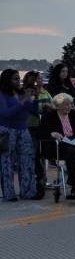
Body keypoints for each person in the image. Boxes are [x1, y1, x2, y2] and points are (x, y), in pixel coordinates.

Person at [0, 69, 38, 201]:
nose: (18, 82)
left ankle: (28, 192)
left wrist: (35, 97)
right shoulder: (2, 95)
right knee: (7, 162)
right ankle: (9, 193)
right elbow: (5, 113)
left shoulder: (21, 93)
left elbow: (33, 110)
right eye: (15, 79)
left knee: (26, 161)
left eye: (19, 79)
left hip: (23, 129)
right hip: (6, 130)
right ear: (7, 81)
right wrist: (22, 102)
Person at [24, 70, 54, 195]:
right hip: (31, 126)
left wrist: (49, 106)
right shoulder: (28, 92)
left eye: (42, 77)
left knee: (41, 154)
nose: (41, 80)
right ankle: (35, 179)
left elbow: (53, 105)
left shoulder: (46, 92)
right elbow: (32, 108)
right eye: (39, 78)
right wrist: (44, 106)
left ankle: (43, 179)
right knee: (33, 153)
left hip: (43, 126)